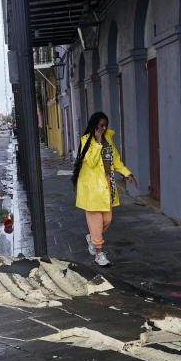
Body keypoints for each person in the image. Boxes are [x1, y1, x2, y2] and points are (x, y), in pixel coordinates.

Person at [73, 111, 137, 267]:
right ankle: (99, 253)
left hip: (108, 184)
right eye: (100, 125)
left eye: (105, 125)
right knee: (96, 221)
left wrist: (127, 173)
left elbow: (115, 160)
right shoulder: (86, 141)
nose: (103, 128)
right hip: (92, 187)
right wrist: (98, 142)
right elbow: (92, 162)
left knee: (107, 219)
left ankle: (91, 237)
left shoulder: (109, 139)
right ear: (94, 125)